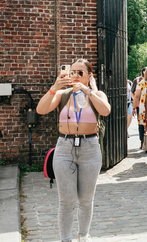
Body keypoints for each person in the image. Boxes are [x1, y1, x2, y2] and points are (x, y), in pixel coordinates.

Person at [36, 59, 111, 242]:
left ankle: (84, 235)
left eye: (80, 73)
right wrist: (54, 87)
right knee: (66, 200)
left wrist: (88, 91)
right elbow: (41, 109)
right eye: (73, 72)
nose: (76, 76)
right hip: (65, 147)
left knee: (86, 199)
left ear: (89, 76)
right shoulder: (62, 94)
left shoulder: (96, 94)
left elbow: (106, 110)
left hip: (89, 148)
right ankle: (66, 239)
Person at [133, 66, 147, 151]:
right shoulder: (141, 83)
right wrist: (134, 107)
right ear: (145, 73)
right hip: (144, 108)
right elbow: (137, 96)